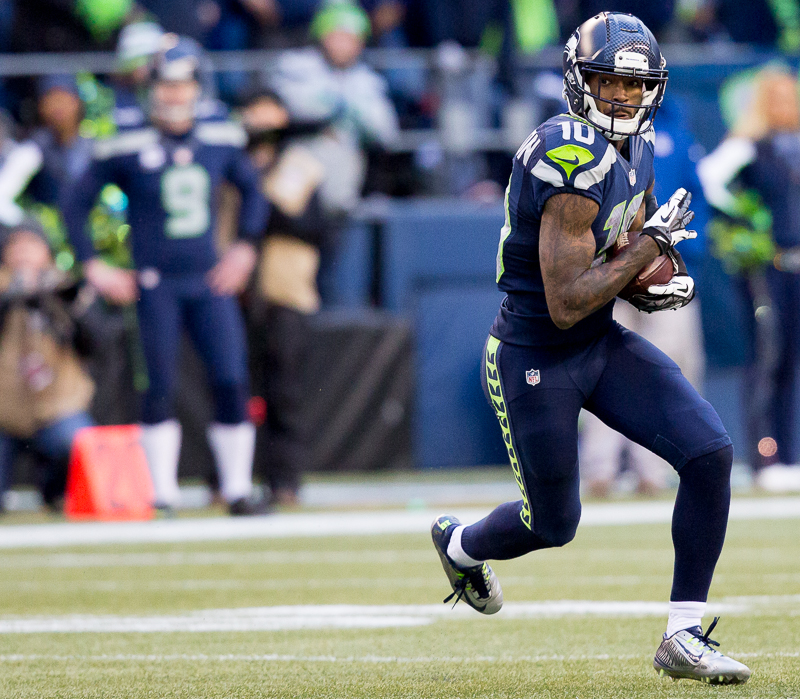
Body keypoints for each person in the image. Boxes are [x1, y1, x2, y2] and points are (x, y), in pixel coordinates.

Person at [431, 12, 751, 685]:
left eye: (635, 88)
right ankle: (460, 544)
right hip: (533, 353)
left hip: (599, 341)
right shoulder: (567, 153)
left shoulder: (639, 147)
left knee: (710, 452)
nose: (622, 99)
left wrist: (646, 286)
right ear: (581, 82)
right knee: (553, 523)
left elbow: (618, 260)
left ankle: (683, 632)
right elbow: (566, 298)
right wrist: (649, 249)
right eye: (608, 82)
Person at [63, 35, 270, 516]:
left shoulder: (220, 135)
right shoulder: (126, 139)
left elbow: (254, 194)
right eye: (166, 85)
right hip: (155, 282)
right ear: (151, 88)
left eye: (183, 86)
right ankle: (163, 495)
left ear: (198, 88)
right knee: (157, 384)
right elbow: (76, 203)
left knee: (231, 379)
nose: (175, 96)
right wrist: (93, 264)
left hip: (208, 279)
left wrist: (244, 248)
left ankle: (237, 490)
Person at [698, 66, 800, 493]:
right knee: (767, 356)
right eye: (773, 95)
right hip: (765, 266)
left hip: (797, 266)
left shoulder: (793, 147)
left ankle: (789, 456)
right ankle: (765, 455)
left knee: (791, 362)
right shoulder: (749, 145)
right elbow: (709, 179)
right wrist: (745, 220)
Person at [239, 90, 330, 507]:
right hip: (236, 290)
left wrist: (255, 198)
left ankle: (286, 480)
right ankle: (233, 479)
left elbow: (308, 224)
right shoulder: (229, 162)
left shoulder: (300, 165)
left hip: (287, 289)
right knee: (234, 389)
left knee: (285, 391)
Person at [0, 219, 102, 510]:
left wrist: (52, 304)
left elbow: (95, 344)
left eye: (31, 245)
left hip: (56, 408)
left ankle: (55, 490)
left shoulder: (64, 287)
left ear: (46, 251)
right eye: (15, 246)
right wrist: (10, 301)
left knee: (77, 442)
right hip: (5, 414)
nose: (23, 254)